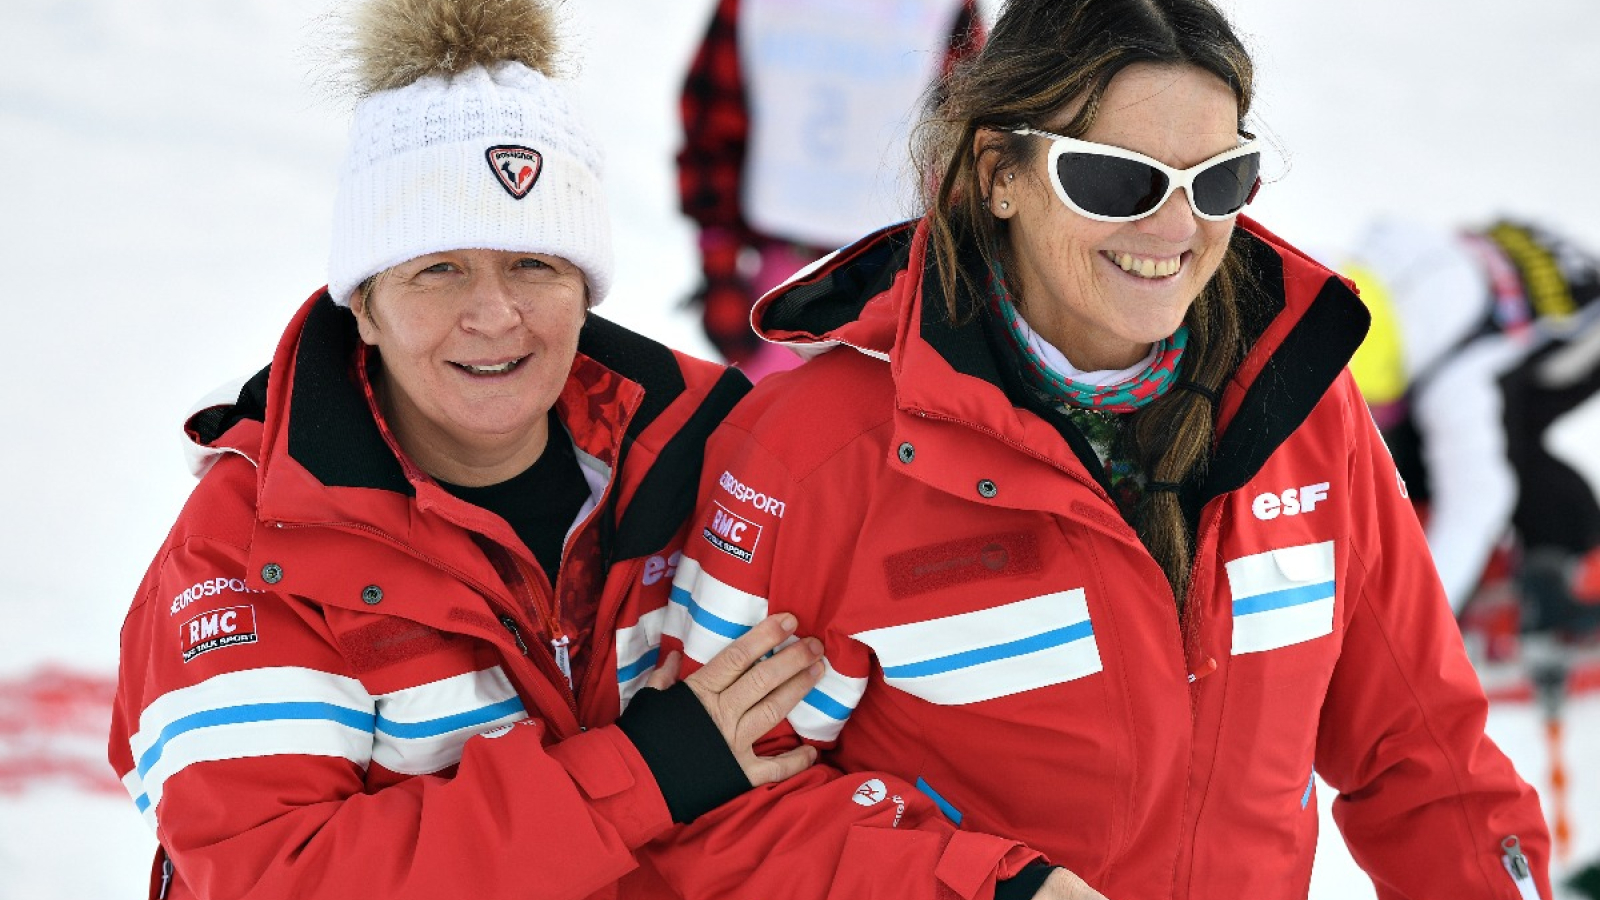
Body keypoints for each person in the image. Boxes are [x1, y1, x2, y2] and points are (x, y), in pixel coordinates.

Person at [646, 0, 1557, 897]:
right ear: (999, 171)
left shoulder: (1303, 415)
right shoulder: (812, 456)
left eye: (1217, 182)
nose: (1174, 231)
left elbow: (1428, 762)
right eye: (1117, 182)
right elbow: (717, 819)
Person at [105, 1, 826, 898]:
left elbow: (818, 784)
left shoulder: (713, 465)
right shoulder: (247, 547)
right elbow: (271, 877)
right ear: (363, 306)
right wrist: (641, 776)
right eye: (437, 267)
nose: (493, 315)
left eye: (534, 263)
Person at [676, 0, 984, 380]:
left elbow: (973, 142)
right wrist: (720, 271)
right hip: (780, 282)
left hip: (900, 281)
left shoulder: (947, 9)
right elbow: (713, 130)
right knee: (767, 430)